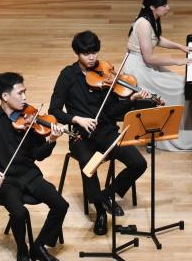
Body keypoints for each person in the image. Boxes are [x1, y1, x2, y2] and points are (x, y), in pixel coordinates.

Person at [49, 30, 153, 235]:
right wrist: (76, 119)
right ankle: (100, 212)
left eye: (94, 52)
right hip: (81, 137)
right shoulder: (67, 76)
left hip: (106, 132)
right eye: (86, 53)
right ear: (77, 53)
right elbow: (54, 110)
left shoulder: (106, 74)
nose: (91, 57)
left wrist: (129, 100)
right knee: (89, 166)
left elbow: (113, 113)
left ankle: (106, 195)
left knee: (139, 163)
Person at [0, 72, 68, 261]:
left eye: (25, 92)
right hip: (5, 181)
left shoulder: (30, 118)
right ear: (5, 96)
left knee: (61, 204)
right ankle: (22, 249)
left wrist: (51, 140)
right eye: (20, 93)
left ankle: (39, 245)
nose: (25, 98)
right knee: (19, 213)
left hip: (30, 175)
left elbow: (39, 156)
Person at [122, 0, 192, 151]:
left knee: (181, 83)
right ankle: (173, 130)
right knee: (181, 88)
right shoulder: (144, 24)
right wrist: (177, 62)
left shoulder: (151, 17)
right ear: (152, 7)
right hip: (138, 70)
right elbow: (149, 58)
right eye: (163, 5)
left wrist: (180, 47)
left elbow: (156, 39)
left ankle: (191, 125)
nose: (167, 8)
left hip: (144, 65)